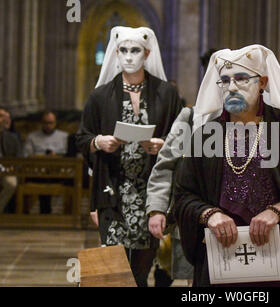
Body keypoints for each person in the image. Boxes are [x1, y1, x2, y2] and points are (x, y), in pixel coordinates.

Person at [174, 45, 280, 287]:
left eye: (241, 78)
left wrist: (278, 210)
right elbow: (183, 195)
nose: (232, 87)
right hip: (221, 261)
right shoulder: (205, 135)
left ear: (263, 82)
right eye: (224, 80)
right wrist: (210, 214)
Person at [76, 26, 182, 287]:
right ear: (116, 52)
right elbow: (81, 138)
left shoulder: (166, 93)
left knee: (141, 271)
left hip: (151, 192)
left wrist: (163, 144)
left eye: (135, 50)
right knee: (114, 273)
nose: (129, 56)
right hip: (113, 190)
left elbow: (184, 139)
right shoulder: (100, 96)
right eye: (123, 50)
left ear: (147, 53)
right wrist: (99, 142)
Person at [147, 106, 195, 286]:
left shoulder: (267, 117)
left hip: (245, 216)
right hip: (195, 214)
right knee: (196, 279)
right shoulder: (191, 116)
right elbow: (166, 164)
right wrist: (157, 208)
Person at [23, 111, 69, 214]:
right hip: (37, 170)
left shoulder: (64, 136)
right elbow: (26, 155)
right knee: (42, 176)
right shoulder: (32, 136)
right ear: (41, 123)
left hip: (59, 171)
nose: (48, 125)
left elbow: (68, 155)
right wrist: (42, 157)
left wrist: (56, 157)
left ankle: (66, 214)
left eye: (51, 123)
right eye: (45, 122)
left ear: (55, 123)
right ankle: (44, 212)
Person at [0, 108, 22, 213]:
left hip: (8, 171)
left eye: (7, 117)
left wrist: (11, 168)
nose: (5, 119)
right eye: (1, 116)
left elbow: (19, 158)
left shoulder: (12, 137)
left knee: (11, 183)